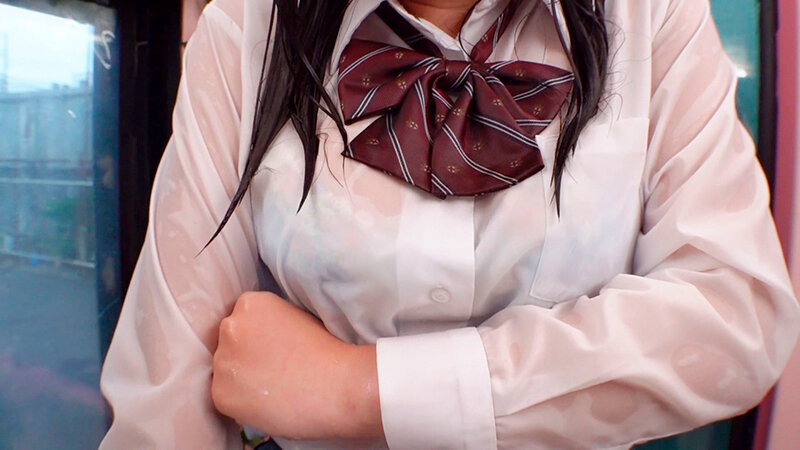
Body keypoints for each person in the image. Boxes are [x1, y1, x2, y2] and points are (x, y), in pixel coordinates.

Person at [99, 0, 800, 448]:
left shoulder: (652, 15)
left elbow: (735, 315)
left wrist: (358, 388)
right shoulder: (247, 28)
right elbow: (165, 395)